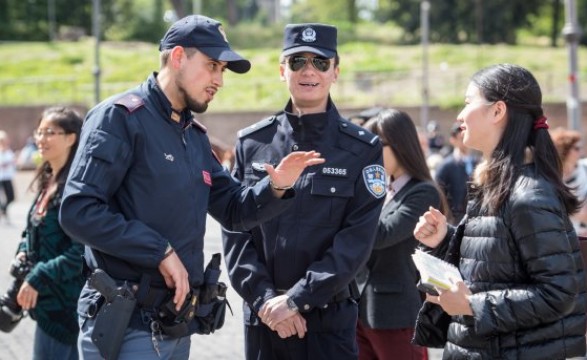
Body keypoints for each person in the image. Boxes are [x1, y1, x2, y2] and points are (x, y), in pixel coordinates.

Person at [58, 15, 324, 360]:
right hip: (124, 322)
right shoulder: (119, 118)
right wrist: (160, 251)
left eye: (223, 71)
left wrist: (275, 187)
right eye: (212, 66)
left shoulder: (193, 136)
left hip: (174, 324)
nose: (219, 81)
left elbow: (233, 208)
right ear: (178, 57)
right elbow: (78, 211)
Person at [222, 23, 386, 359]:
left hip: (328, 320)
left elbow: (356, 240)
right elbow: (235, 230)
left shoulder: (362, 148)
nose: (308, 71)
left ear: (335, 72)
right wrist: (266, 300)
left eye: (320, 62)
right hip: (265, 319)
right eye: (297, 62)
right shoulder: (253, 144)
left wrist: (297, 299)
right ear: (282, 71)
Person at [413, 64, 586, 359]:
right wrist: (444, 240)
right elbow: (498, 266)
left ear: (497, 111)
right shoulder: (499, 184)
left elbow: (558, 293)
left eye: (468, 103)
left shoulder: (528, 194)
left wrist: (472, 305)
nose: (459, 116)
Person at [356, 109, 446, 360]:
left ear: (399, 144)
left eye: (376, 145)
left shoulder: (423, 191)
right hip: (362, 308)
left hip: (396, 312)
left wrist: (356, 198)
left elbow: (382, 235)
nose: (369, 154)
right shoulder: (385, 188)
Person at [15, 107, 85, 359]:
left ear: (71, 138)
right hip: (46, 307)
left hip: (66, 311)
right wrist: (23, 252)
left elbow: (81, 252)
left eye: (50, 132)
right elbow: (31, 230)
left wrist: (38, 276)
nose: (40, 139)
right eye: (39, 131)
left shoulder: (75, 189)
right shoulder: (48, 180)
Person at [434, 122, 478, 224]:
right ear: (453, 140)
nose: (465, 141)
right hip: (454, 222)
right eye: (461, 138)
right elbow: (439, 196)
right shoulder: (445, 166)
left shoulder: (478, 163)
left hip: (475, 220)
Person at [550, 127, 587, 237]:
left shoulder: (585, 168)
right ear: (564, 150)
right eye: (576, 148)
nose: (581, 152)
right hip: (566, 237)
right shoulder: (551, 177)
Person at [0, 130, 16, 222]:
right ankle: (3, 211)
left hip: (8, 177)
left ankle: (3, 210)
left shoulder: (9, 151)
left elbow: (13, 164)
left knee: (11, 196)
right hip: (0, 177)